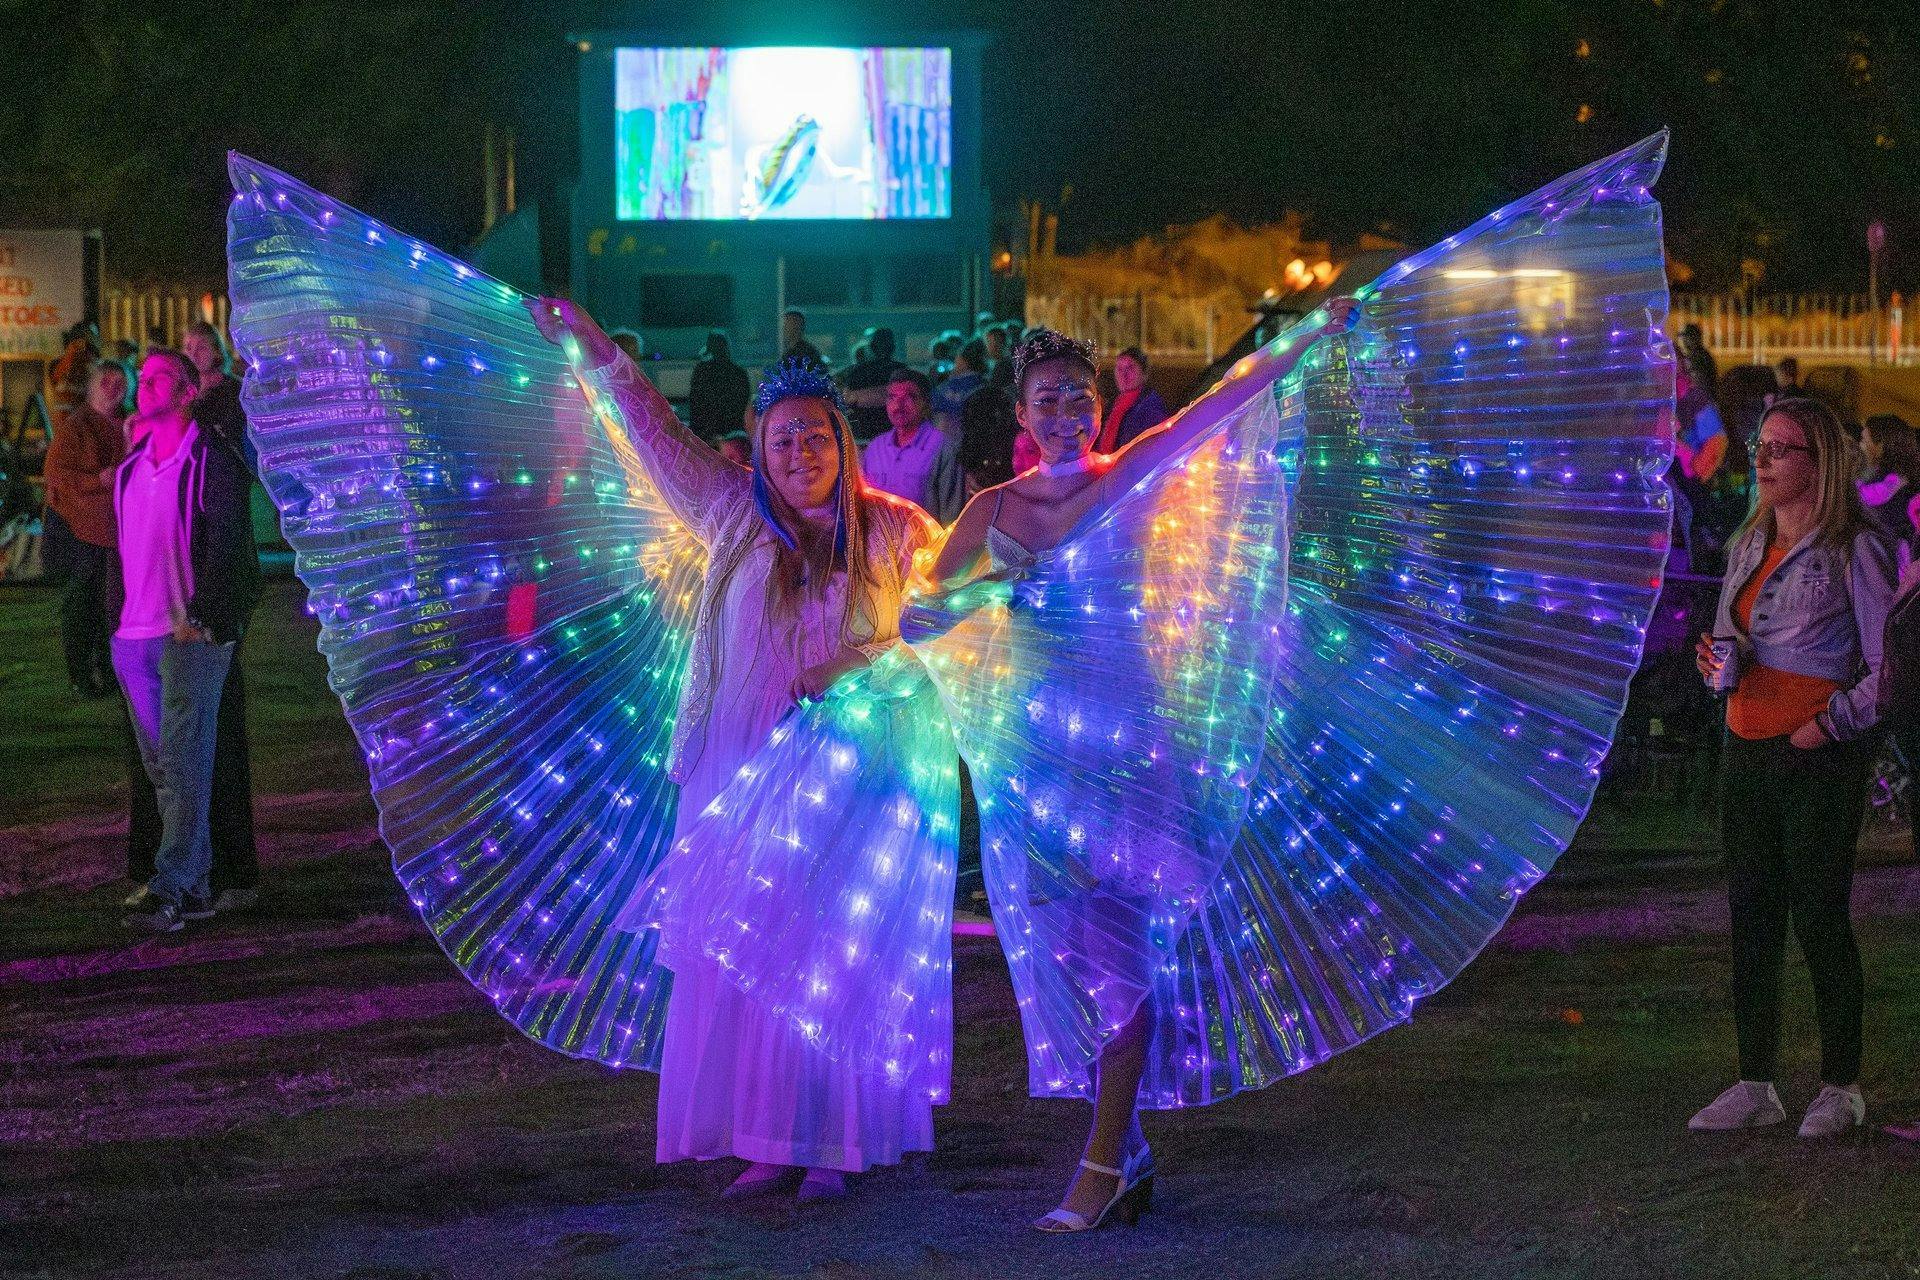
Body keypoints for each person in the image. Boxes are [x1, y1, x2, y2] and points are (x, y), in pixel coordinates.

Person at [929, 314, 1357, 1231]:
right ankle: (1127, 1149)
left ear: (1099, 404)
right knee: (1076, 963)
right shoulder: (991, 512)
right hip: (1038, 762)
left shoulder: (1126, 475)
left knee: (1119, 960)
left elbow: (1225, 400)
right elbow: (922, 615)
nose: (1066, 410)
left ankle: (1099, 1164)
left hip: (1130, 750)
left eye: (1080, 394)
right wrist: (983, 594)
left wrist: (1312, 334)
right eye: (1048, 397)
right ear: (1021, 412)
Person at [529, 298, 942, 1202]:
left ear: (844, 440)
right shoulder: (727, 513)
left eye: (817, 437)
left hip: (849, 774)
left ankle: (829, 1139)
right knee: (751, 949)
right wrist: (596, 348)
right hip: (737, 768)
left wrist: (853, 662)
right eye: (784, 440)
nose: (802, 455)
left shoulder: (896, 531)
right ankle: (767, 1138)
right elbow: (652, 431)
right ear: (761, 448)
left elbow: (951, 627)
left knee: (827, 950)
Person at [1689, 397, 1896, 1140]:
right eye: (1761, 448)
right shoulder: (1749, 542)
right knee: (1752, 916)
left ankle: (1841, 1085)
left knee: (1817, 915)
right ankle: (1757, 1083)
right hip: (1745, 746)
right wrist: (1720, 662)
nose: (1764, 460)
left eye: (1781, 449)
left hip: (1814, 757)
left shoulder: (1855, 548)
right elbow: (1726, 640)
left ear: (1819, 462)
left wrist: (1826, 726)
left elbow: (1888, 671)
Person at [114, 350, 262, 933]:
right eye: (142, 379)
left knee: (185, 763)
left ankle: (172, 886)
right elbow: (120, 556)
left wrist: (205, 616)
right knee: (164, 769)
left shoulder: (210, 462)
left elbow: (231, 547)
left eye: (157, 380)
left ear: (184, 392)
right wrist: (116, 621)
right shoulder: (131, 470)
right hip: (136, 634)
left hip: (189, 635)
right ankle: (194, 883)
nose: (143, 388)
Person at [43, 360, 130, 696]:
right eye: (105, 381)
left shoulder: (129, 422)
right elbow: (56, 474)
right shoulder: (77, 428)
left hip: (118, 533)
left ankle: (110, 671)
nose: (112, 387)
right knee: (83, 605)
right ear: (92, 387)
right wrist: (97, 481)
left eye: (119, 381)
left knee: (114, 608)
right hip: (81, 531)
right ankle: (81, 674)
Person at [863, 368, 964, 523]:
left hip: (926, 546)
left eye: (909, 397)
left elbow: (952, 517)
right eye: (892, 397)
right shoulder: (875, 449)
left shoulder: (942, 448)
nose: (898, 405)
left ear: (926, 403)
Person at [1858, 413, 1919, 558]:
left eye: (1864, 440)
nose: (1860, 446)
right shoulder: (1906, 483)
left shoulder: (1896, 488)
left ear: (1880, 446)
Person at [1096, 347, 1169, 453]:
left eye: (1130, 368)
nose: (1124, 375)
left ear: (1144, 373)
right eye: (1119, 369)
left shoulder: (1150, 406)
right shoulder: (1114, 404)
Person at [839, 327, 904, 440]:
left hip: (863, 435)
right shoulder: (902, 372)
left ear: (871, 347)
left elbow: (848, 401)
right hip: (894, 435)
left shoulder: (857, 372)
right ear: (893, 347)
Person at [687, 330, 751, 443]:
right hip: (733, 433)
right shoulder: (739, 373)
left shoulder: (701, 371)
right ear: (727, 347)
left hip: (706, 434)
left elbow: (695, 405)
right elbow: (743, 405)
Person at [932, 339, 987, 440]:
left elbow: (934, 404)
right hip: (977, 439)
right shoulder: (985, 385)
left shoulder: (950, 386)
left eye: (957, 359)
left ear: (964, 361)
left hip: (950, 438)